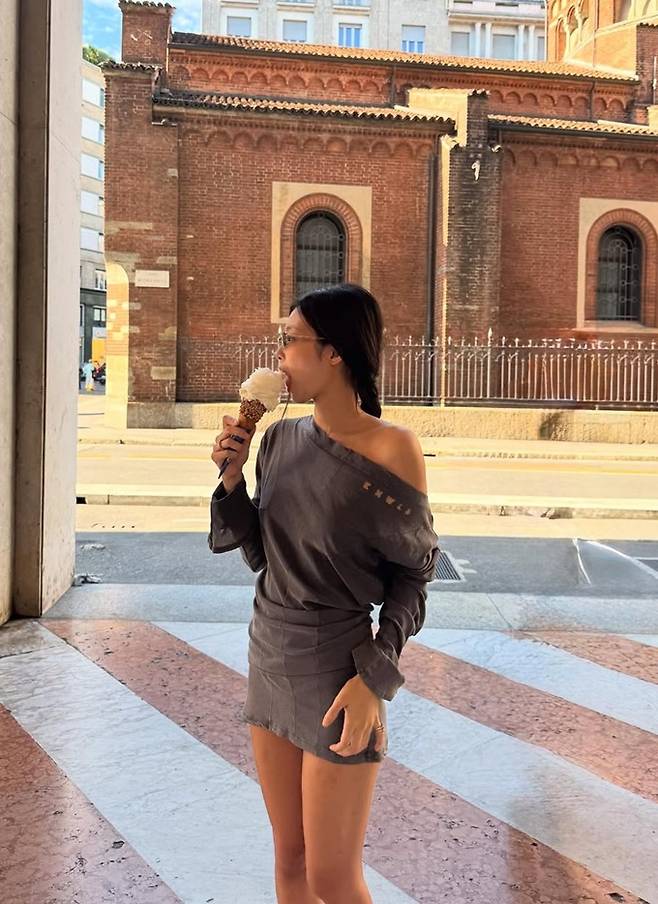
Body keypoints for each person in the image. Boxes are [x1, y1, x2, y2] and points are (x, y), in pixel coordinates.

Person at [209, 284, 440, 904]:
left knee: (332, 878)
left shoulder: (393, 447)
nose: (279, 354)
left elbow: (414, 575)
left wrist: (373, 679)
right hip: (269, 654)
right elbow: (263, 557)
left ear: (334, 352)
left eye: (291, 340)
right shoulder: (278, 441)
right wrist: (231, 480)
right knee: (290, 860)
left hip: (339, 671)